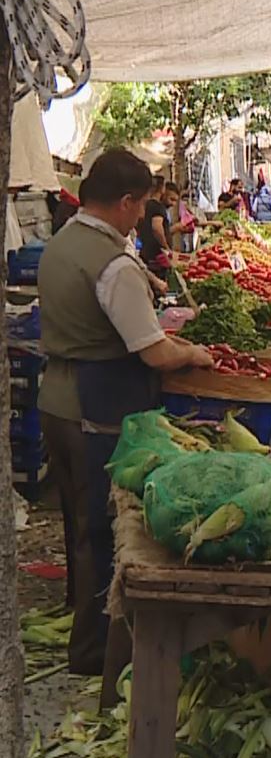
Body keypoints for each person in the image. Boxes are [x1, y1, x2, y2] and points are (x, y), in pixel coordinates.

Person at [38, 148, 215, 673]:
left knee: (77, 519)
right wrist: (193, 353)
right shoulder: (113, 263)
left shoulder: (62, 242)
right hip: (97, 405)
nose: (142, 216)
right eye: (140, 206)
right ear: (124, 202)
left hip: (57, 398)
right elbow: (154, 350)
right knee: (101, 528)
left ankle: (82, 615)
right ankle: (93, 650)